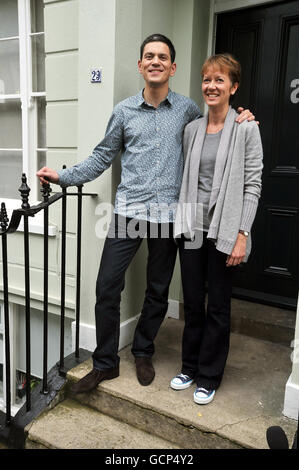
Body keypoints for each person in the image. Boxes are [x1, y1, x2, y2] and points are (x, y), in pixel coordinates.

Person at [37, 35, 254, 393]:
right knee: (107, 286)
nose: (155, 61)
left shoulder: (187, 110)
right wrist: (63, 177)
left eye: (162, 57)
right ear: (140, 65)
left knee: (157, 290)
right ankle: (105, 362)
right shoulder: (123, 112)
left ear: (172, 67)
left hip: (170, 216)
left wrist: (243, 115)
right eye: (149, 56)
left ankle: (142, 351)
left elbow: (218, 125)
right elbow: (101, 157)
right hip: (128, 213)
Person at [170, 53, 263, 405]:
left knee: (218, 307)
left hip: (224, 232)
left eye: (219, 80)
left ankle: (209, 376)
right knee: (193, 303)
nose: (211, 86)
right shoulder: (192, 128)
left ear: (233, 87)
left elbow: (253, 184)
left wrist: (242, 234)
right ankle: (189, 367)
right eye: (207, 79)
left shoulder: (246, 128)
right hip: (193, 228)